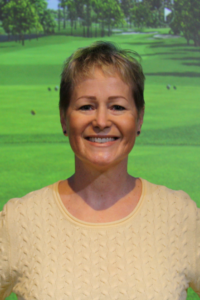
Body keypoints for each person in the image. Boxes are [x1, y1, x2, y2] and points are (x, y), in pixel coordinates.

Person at [0, 41, 199, 300]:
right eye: (86, 106)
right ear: (63, 118)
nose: (102, 121)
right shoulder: (19, 220)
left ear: (139, 118)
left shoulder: (179, 216)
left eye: (117, 106)